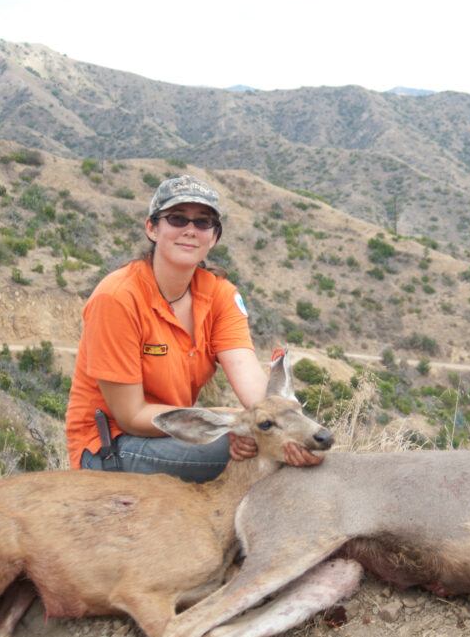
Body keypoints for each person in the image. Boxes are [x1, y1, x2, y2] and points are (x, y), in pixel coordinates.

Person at [65, 174, 321, 479]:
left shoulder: (219, 295)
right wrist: (231, 422)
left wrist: (286, 422)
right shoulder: (117, 298)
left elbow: (253, 385)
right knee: (254, 448)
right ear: (152, 228)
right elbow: (131, 416)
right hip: (113, 446)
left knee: (279, 440)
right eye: (176, 219)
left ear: (213, 237)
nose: (189, 230)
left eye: (202, 222)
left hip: (174, 432)